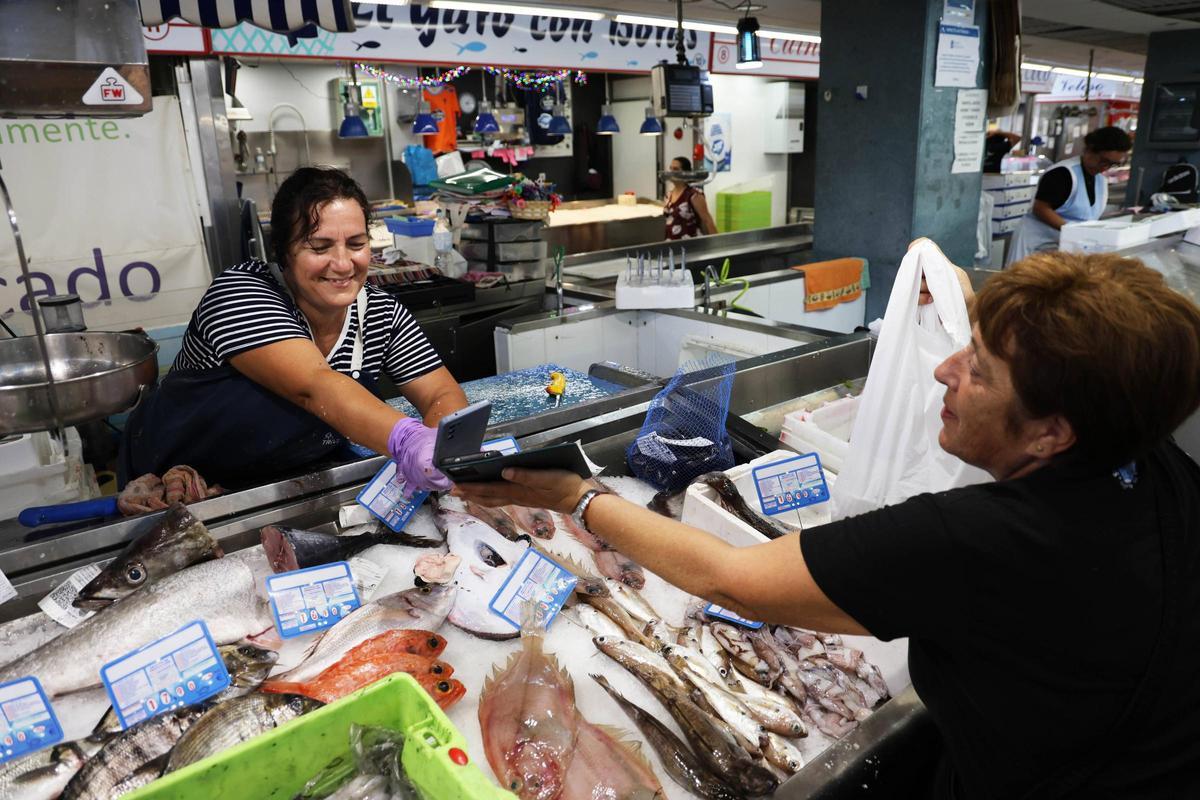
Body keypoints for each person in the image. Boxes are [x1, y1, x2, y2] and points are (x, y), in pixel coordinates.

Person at [454, 250, 1200, 798]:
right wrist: (967, 299)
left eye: (979, 369)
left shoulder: (983, 540)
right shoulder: (1151, 461)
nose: (944, 371)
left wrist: (577, 497)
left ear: (1051, 433)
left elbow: (733, 580)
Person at [120, 167, 469, 490]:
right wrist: (406, 440)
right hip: (182, 488)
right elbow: (314, 387)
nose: (343, 263)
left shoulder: (381, 312)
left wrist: (435, 452)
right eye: (319, 247)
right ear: (282, 252)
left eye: (357, 244)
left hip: (289, 483)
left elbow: (441, 393)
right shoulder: (240, 294)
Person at [1006, 126, 1132, 265]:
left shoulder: (1100, 179)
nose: (1105, 167)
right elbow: (1041, 209)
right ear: (1089, 149)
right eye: (1103, 160)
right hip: (1037, 245)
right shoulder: (1062, 174)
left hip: (1067, 248)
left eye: (1112, 164)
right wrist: (1074, 232)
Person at [663, 157, 718, 240]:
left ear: (686, 173)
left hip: (690, 244)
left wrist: (717, 243)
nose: (671, 172)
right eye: (671, 169)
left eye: (676, 169)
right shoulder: (668, 195)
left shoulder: (694, 195)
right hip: (671, 243)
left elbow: (707, 220)